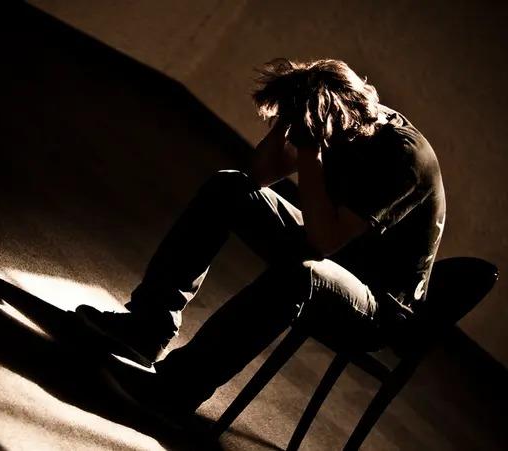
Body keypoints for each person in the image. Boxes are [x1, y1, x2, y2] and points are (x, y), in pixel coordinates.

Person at [76, 58, 446, 414]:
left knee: (303, 273)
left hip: (376, 306)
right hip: (332, 245)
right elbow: (259, 175)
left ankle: (178, 389)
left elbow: (323, 243)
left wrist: (310, 149)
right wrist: (288, 124)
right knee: (229, 188)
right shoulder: (340, 118)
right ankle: (147, 327)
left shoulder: (403, 157)